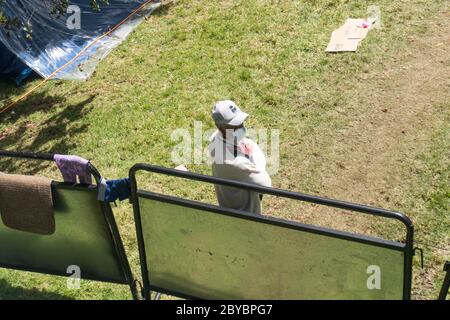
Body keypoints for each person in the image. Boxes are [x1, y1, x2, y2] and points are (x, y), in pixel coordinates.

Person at [208, 100, 271, 214]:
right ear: (220, 127)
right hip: (246, 214)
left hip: (227, 205)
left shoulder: (214, 139)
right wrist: (253, 157)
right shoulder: (236, 163)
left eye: (240, 122)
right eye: (234, 125)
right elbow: (266, 184)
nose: (240, 127)